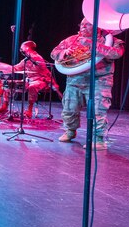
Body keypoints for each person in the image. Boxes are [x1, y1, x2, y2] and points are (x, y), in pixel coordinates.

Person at [50, 19, 124, 150]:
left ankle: (98, 139)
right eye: (82, 24)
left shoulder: (111, 40)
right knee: (69, 109)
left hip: (99, 80)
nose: (83, 26)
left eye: (87, 24)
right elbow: (53, 53)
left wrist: (91, 44)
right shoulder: (71, 40)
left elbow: (116, 53)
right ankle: (69, 131)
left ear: (98, 27)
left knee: (98, 111)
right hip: (75, 80)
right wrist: (64, 53)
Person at [12, 40, 59, 119]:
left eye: (22, 48)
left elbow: (46, 72)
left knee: (32, 87)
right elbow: (15, 68)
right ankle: (5, 107)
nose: (21, 50)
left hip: (41, 80)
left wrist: (53, 83)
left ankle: (29, 110)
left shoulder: (37, 58)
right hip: (29, 80)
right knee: (9, 83)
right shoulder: (25, 60)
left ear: (26, 48)